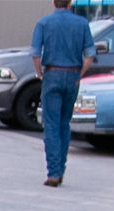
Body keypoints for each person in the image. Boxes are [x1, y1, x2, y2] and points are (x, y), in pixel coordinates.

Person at [30, 0, 95, 187]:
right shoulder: (82, 23)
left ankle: (54, 172)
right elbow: (90, 54)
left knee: (51, 124)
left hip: (52, 72)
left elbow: (35, 53)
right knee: (64, 123)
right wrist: (80, 74)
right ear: (70, 2)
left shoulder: (44, 23)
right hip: (73, 73)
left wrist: (40, 73)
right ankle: (61, 168)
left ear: (53, 2)